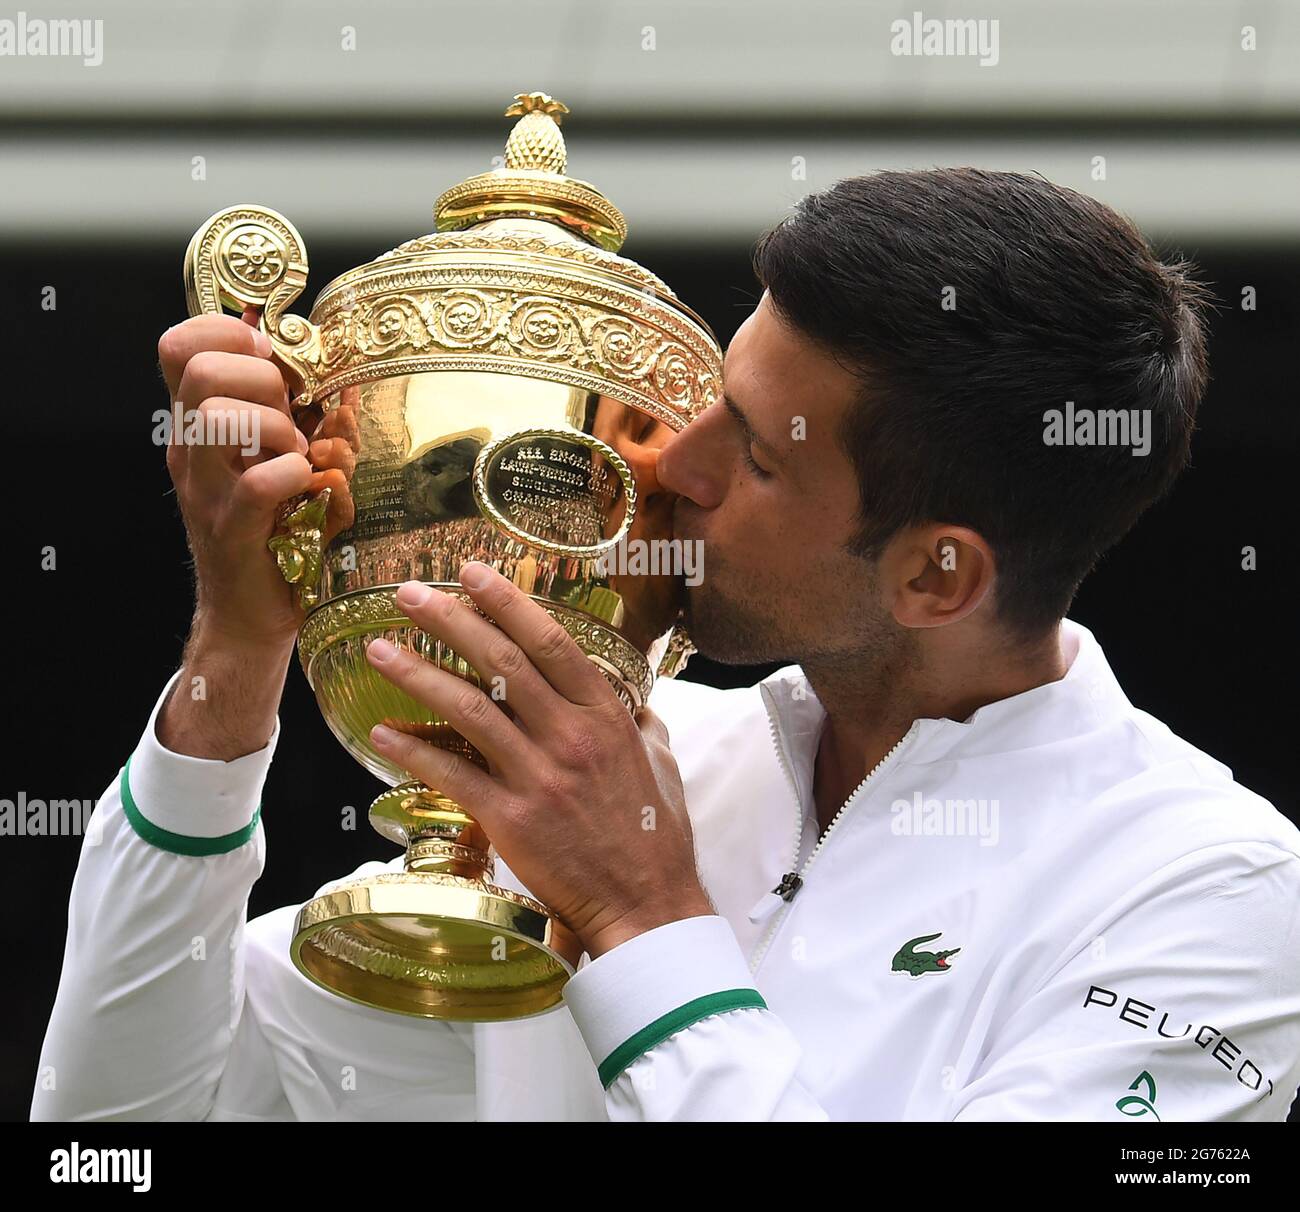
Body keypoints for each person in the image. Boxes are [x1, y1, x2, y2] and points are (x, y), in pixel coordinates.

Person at [32, 168, 1300, 1122]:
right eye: (710, 404)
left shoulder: (1219, 891)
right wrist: (233, 666)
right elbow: (127, 1129)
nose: (658, 464)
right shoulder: (612, 753)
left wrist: (643, 921)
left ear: (935, 572)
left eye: (746, 456)